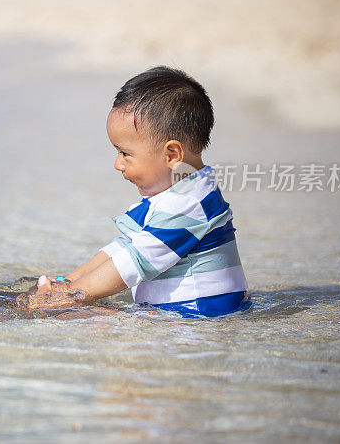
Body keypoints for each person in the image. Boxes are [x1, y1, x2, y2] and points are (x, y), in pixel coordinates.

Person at [24, 67, 250, 318]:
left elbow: (131, 263)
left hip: (195, 320)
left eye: (125, 154)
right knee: (81, 309)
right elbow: (125, 246)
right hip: (175, 316)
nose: (117, 164)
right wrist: (69, 281)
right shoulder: (181, 193)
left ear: (172, 155)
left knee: (74, 316)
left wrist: (67, 298)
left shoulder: (188, 204)